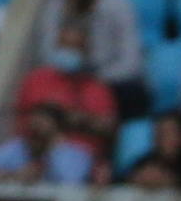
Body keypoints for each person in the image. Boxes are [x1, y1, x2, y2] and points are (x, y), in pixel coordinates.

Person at [35, 0, 149, 119]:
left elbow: (131, 63)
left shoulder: (118, 7)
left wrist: (97, 79)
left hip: (110, 80)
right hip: (68, 78)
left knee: (131, 93)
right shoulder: (55, 8)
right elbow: (46, 54)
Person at [16, 23, 117, 170]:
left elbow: (108, 128)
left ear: (85, 51)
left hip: (77, 150)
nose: (68, 52)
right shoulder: (37, 79)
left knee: (65, 165)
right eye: (64, 46)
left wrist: (79, 119)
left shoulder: (97, 87)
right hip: (32, 147)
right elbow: (24, 118)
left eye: (74, 47)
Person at [0, 102, 93, 185]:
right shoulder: (18, 147)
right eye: (33, 126)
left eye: (41, 127)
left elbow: (70, 185)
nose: (35, 132)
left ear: (58, 129)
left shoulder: (78, 155)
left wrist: (43, 168)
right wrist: (12, 175)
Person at [123, 110, 181, 190]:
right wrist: (135, 179)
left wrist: (173, 181)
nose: (160, 138)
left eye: (167, 133)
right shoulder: (147, 162)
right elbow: (122, 180)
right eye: (158, 133)